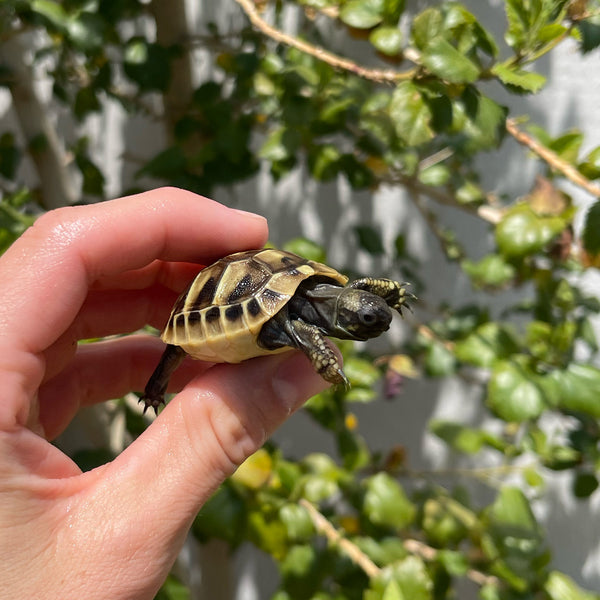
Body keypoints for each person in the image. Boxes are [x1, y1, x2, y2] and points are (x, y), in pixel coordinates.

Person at [0, 188, 330, 599]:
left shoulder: (325, 300)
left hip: (256, 303)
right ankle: (155, 389)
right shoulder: (299, 323)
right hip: (221, 308)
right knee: (175, 351)